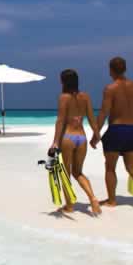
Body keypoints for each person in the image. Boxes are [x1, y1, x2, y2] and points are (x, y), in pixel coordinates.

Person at [91, 57, 133, 214]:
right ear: (125, 69)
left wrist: (96, 134)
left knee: (110, 167)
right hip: (132, 130)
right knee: (132, 168)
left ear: (111, 70)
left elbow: (104, 112)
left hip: (116, 131)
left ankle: (112, 200)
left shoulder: (110, 89)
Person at [49, 69, 103, 215]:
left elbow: (60, 120)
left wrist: (55, 142)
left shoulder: (64, 98)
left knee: (66, 174)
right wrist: (97, 136)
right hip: (81, 138)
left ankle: (70, 206)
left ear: (63, 82)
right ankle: (93, 199)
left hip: (68, 137)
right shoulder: (85, 97)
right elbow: (92, 118)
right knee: (78, 172)